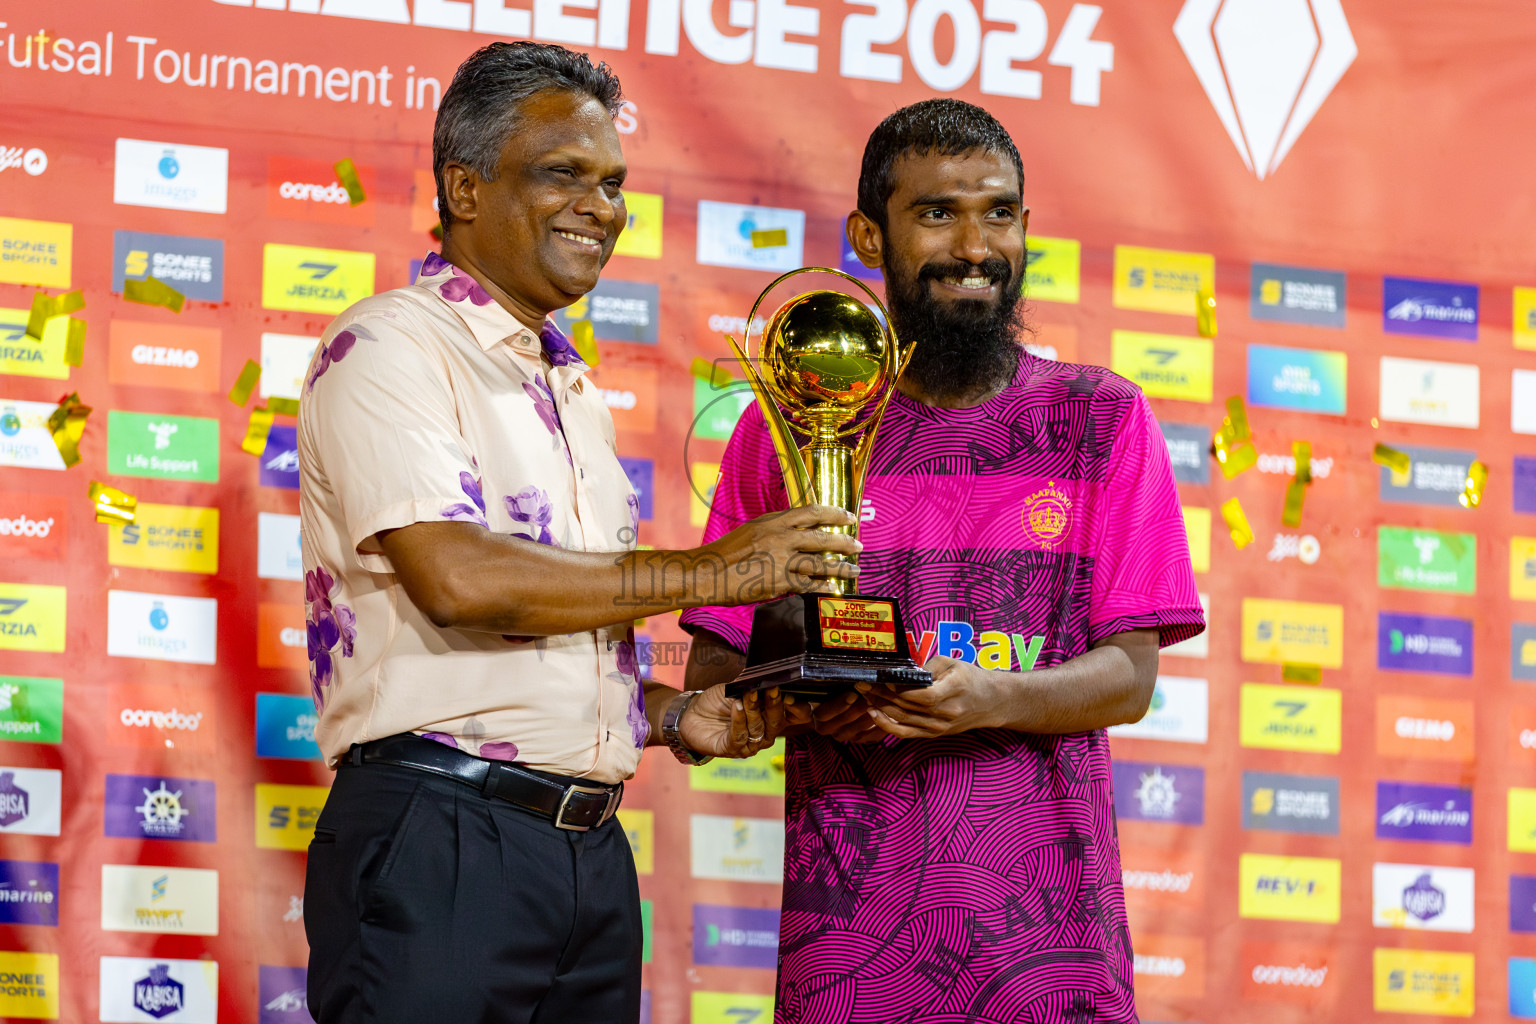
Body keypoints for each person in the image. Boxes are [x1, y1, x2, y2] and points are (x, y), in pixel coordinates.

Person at [298, 41, 856, 1024]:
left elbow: (549, 635)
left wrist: (676, 715)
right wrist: (715, 569)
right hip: (443, 841)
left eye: (613, 182)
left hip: (589, 856)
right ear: (465, 189)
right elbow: (460, 581)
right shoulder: (389, 345)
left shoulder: (568, 388)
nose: (601, 206)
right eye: (565, 175)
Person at [681, 98, 1205, 1023]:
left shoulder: (1100, 420)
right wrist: (798, 698)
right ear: (867, 237)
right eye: (937, 213)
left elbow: (1129, 679)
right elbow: (719, 666)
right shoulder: (785, 428)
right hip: (850, 957)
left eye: (998, 212)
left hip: (1053, 959)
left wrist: (991, 696)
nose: (974, 245)